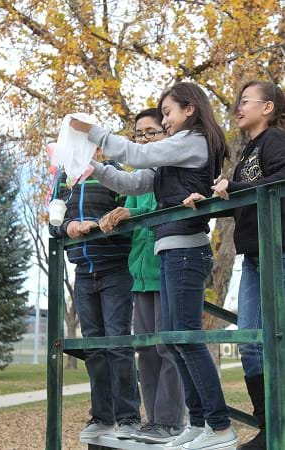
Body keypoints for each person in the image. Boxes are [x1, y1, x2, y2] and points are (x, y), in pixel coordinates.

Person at [70, 82, 237, 450]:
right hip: (169, 249)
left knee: (185, 339)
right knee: (174, 340)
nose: (165, 119)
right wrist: (92, 167)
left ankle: (221, 427)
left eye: (167, 112)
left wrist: (92, 131)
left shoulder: (193, 141)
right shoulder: (172, 155)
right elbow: (132, 180)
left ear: (189, 110)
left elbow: (135, 154)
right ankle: (198, 423)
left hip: (186, 250)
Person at [184, 80, 285, 450]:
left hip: (278, 251)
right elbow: (238, 193)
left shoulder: (275, 141)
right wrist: (210, 194)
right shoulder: (248, 151)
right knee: (251, 344)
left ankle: (279, 428)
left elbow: (282, 178)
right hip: (254, 255)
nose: (238, 107)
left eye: (245, 101)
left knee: (274, 341)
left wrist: (236, 188)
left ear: (268, 107)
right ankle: (269, 427)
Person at [99, 108, 186, 443]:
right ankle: (153, 421)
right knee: (146, 351)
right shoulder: (135, 178)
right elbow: (131, 215)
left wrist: (130, 213)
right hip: (140, 274)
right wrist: (109, 219)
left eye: (153, 133)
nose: (146, 140)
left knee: (168, 347)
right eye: (140, 134)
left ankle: (170, 421)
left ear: (166, 136)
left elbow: (163, 210)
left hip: (167, 268)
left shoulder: (171, 171)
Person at [49, 150, 141, 442]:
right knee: (94, 349)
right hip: (83, 273)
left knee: (117, 344)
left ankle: (128, 418)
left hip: (115, 269)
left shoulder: (114, 174)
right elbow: (54, 222)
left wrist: (106, 223)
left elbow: (128, 218)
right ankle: (102, 417)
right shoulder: (64, 179)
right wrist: (69, 227)